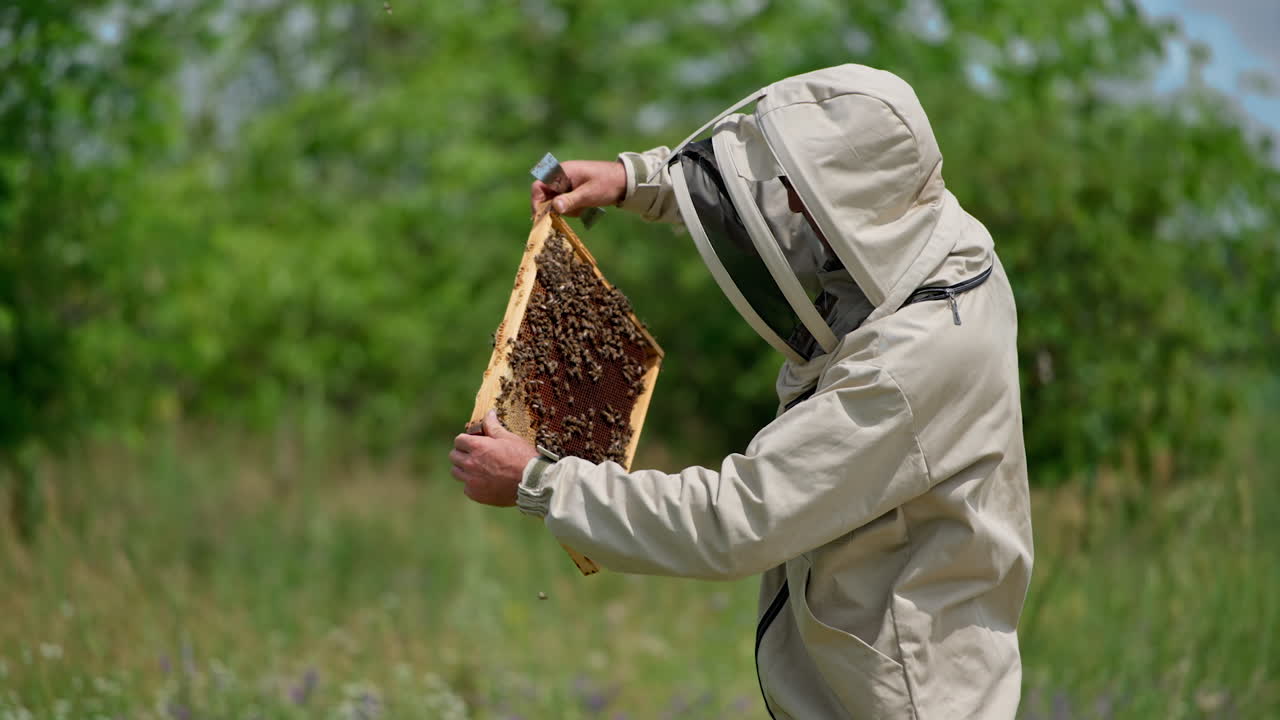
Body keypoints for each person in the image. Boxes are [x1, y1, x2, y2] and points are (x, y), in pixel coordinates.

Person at [450, 64, 1033, 719]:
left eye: (801, 192)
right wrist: (639, 181)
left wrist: (540, 482)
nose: (783, 204)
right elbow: (783, 213)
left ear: (854, 205)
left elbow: (739, 520)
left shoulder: (913, 364)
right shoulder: (939, 233)